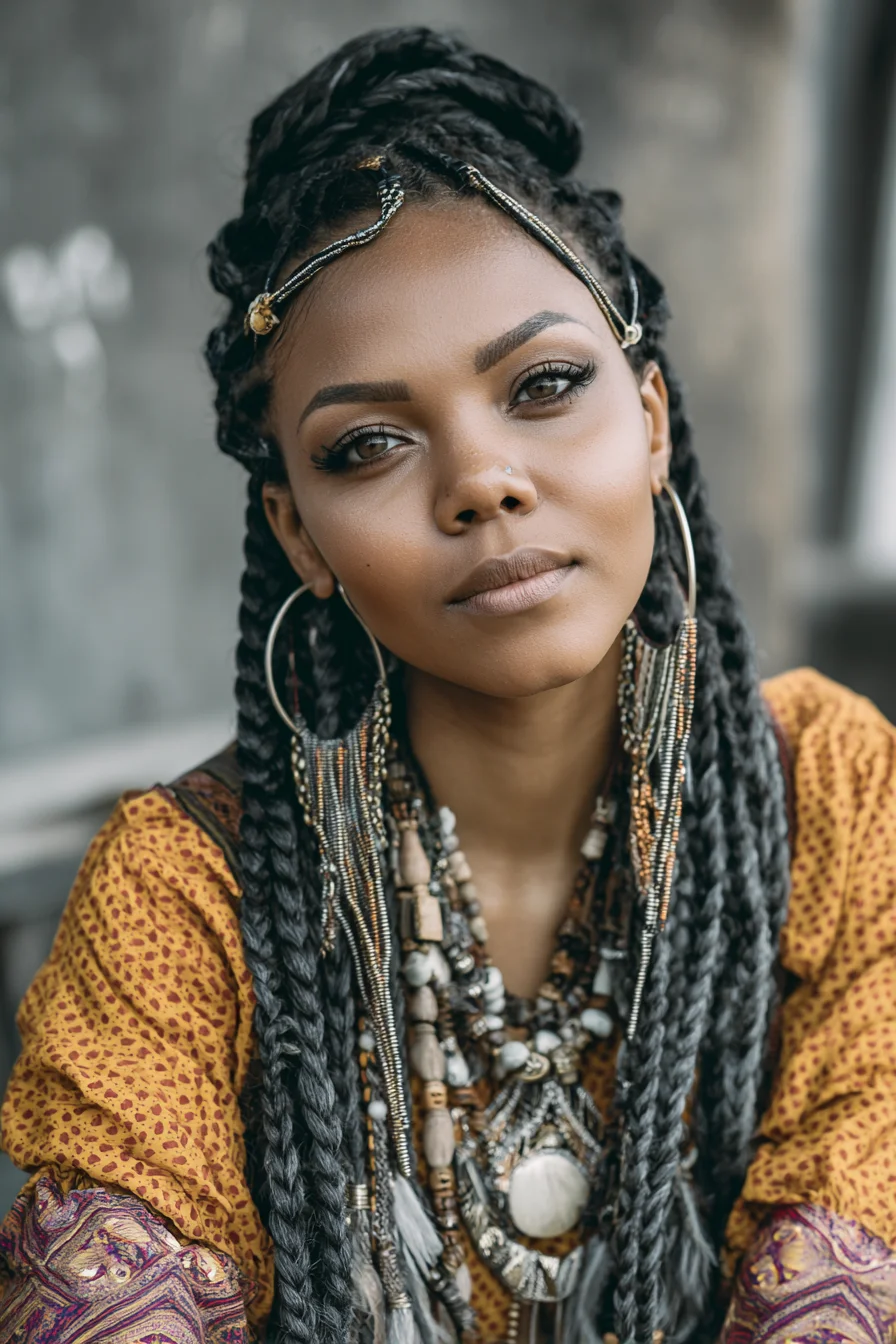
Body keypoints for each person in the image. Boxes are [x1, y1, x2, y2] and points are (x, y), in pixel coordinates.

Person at [1, 26, 894, 1344]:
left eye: (545, 385)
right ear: (299, 529)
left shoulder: (831, 803)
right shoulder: (187, 899)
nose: (482, 480)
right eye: (367, 444)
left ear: (650, 417)